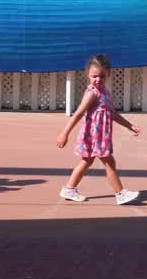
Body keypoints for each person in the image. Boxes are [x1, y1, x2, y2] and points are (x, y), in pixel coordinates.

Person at [57, 54, 141, 204]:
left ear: (108, 74)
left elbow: (112, 113)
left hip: (101, 135)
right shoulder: (92, 93)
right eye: (94, 76)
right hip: (94, 136)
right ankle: (120, 193)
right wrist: (64, 133)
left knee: (87, 161)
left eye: (102, 76)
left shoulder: (105, 93)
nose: (98, 79)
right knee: (109, 162)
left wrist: (130, 126)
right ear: (88, 75)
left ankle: (69, 189)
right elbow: (78, 114)